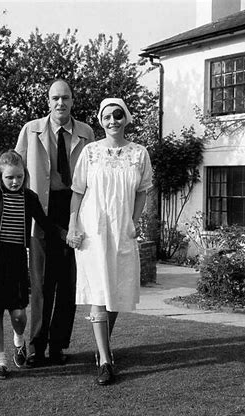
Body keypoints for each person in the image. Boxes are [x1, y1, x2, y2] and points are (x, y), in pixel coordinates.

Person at [0, 150, 70, 379]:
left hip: (16, 259)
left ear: (24, 174)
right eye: (9, 177)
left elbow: (45, 224)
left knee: (18, 314)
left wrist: (67, 234)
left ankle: (19, 341)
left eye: (19, 176)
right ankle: (1, 362)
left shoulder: (29, 197)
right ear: (0, 176)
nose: (15, 181)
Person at [67, 98, 153, 386]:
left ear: (126, 118)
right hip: (92, 230)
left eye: (118, 115)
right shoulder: (90, 152)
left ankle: (101, 345)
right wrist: (71, 227)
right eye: (107, 116)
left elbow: (142, 191)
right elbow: (78, 192)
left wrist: (134, 220)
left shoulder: (140, 154)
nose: (113, 120)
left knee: (115, 290)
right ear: (100, 121)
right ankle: (105, 361)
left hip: (122, 231)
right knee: (99, 293)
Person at [15, 78, 95, 367]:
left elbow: (93, 177)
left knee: (68, 284)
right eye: (55, 98)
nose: (60, 103)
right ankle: (36, 346)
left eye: (66, 97)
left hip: (74, 212)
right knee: (40, 285)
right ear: (48, 102)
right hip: (41, 214)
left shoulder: (86, 132)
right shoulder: (31, 130)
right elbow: (17, 173)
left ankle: (58, 346)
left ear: (73, 100)